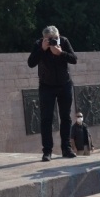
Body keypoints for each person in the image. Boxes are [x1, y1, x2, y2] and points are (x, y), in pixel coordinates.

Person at [27, 26, 78, 161]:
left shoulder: (64, 41)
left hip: (64, 84)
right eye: (50, 39)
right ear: (44, 38)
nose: (53, 41)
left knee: (65, 117)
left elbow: (74, 59)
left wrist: (60, 53)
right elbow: (31, 63)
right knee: (46, 119)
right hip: (46, 86)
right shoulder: (39, 44)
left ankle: (66, 148)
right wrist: (42, 49)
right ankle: (47, 151)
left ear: (59, 35)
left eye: (55, 38)